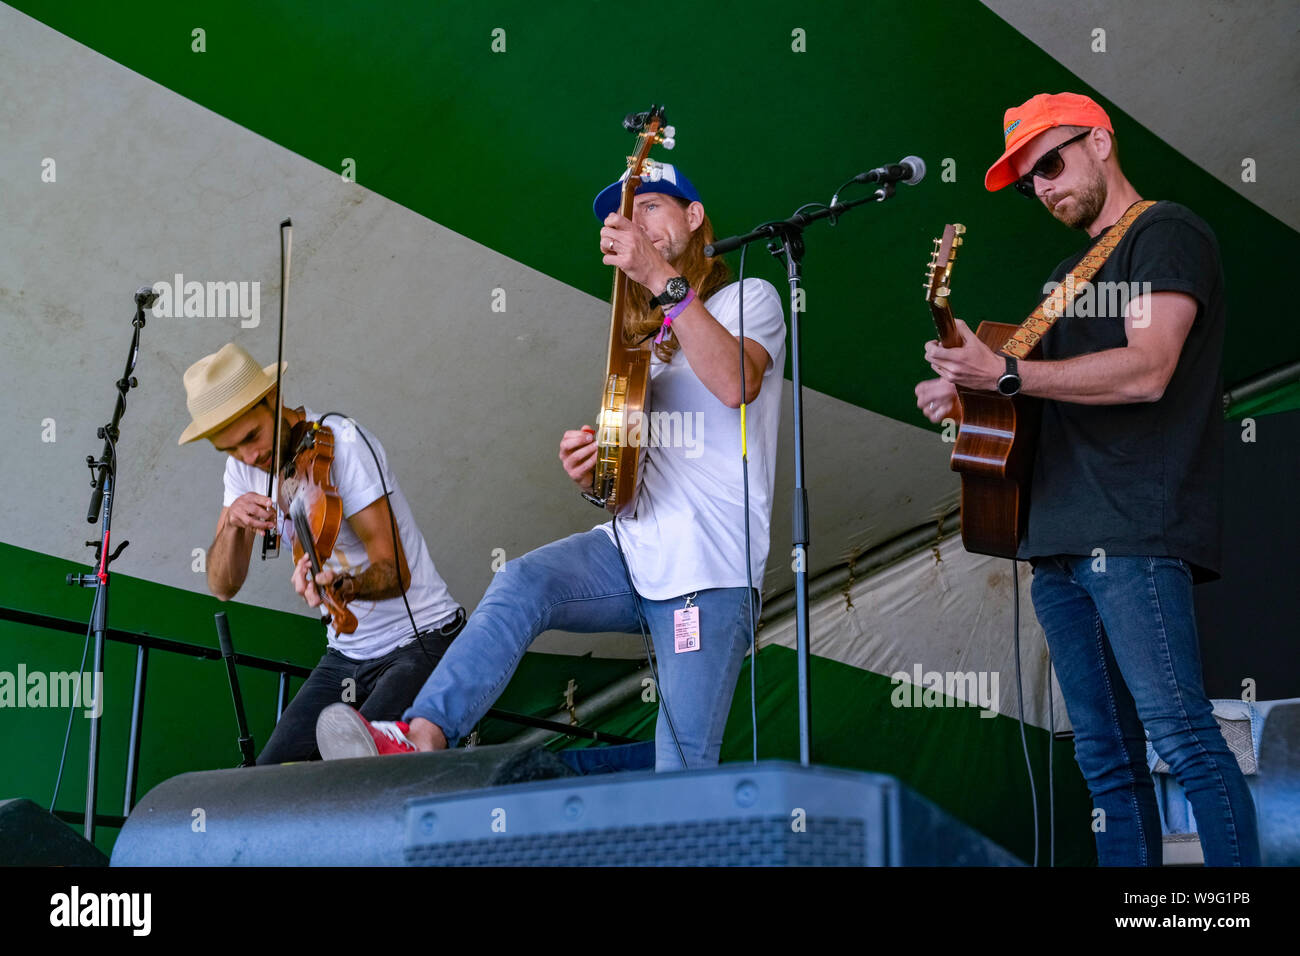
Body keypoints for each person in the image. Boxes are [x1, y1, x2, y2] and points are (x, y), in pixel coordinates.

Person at [316, 163, 787, 770]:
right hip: (631, 551)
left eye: (651, 208)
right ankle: (421, 734)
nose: (635, 223)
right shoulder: (641, 343)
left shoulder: (749, 298)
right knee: (521, 582)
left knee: (683, 775)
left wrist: (659, 277)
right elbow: (627, 493)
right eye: (627, 215)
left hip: (710, 571)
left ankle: (586, 777)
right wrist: (597, 476)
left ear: (694, 218)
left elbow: (736, 382)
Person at [915, 92, 1259, 866]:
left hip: (1134, 530)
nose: (1043, 187)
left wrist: (1002, 375)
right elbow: (1039, 389)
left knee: (1181, 735)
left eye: (1051, 163)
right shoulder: (1065, 275)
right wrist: (967, 389)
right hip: (1057, 544)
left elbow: (1146, 371)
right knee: (1104, 760)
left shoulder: (1165, 232)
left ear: (1100, 141)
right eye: (1028, 179)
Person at [178, 342, 465, 764]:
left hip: (421, 640)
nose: (250, 456)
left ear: (273, 400)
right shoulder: (243, 468)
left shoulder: (344, 444)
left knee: (351, 770)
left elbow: (396, 571)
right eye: (232, 449)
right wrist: (233, 526)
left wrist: (344, 585)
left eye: (253, 436)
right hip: (346, 654)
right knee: (268, 777)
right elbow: (223, 585)